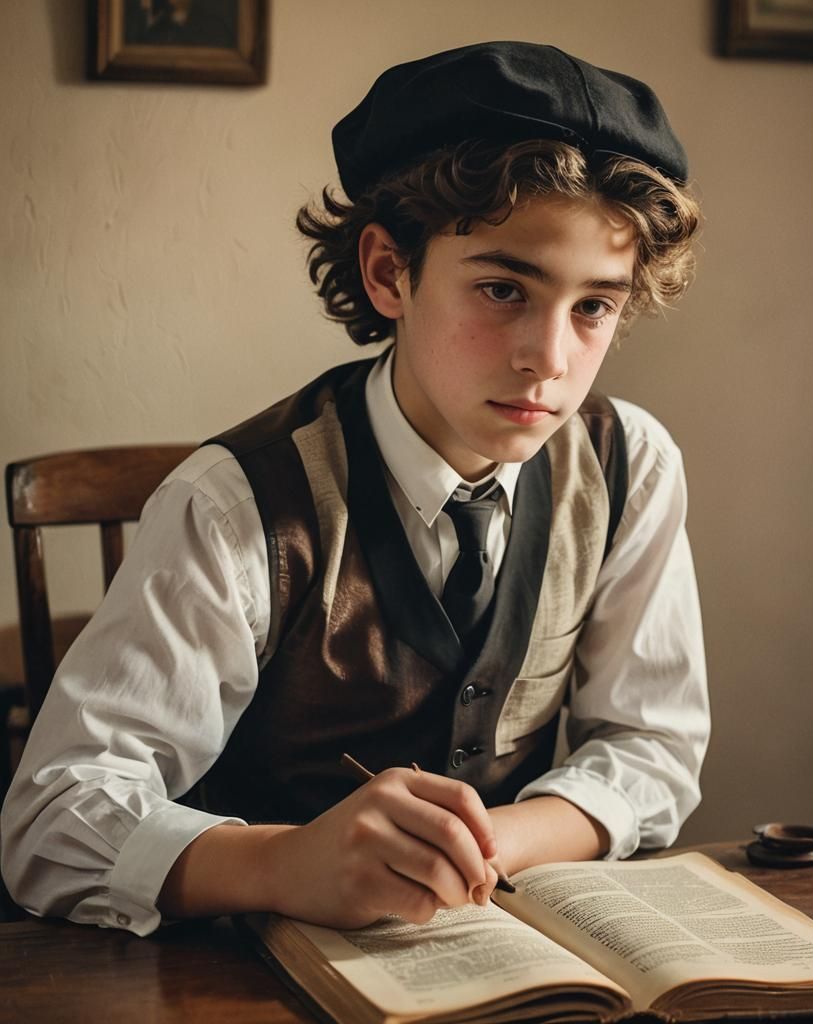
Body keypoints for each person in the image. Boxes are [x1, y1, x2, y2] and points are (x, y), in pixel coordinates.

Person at [1, 41, 709, 936]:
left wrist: (491, 842)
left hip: (499, 949)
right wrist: (283, 861)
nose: (550, 359)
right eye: (501, 289)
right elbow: (48, 820)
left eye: (594, 307)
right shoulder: (234, 504)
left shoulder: (628, 463)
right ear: (388, 272)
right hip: (245, 973)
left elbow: (653, 745)